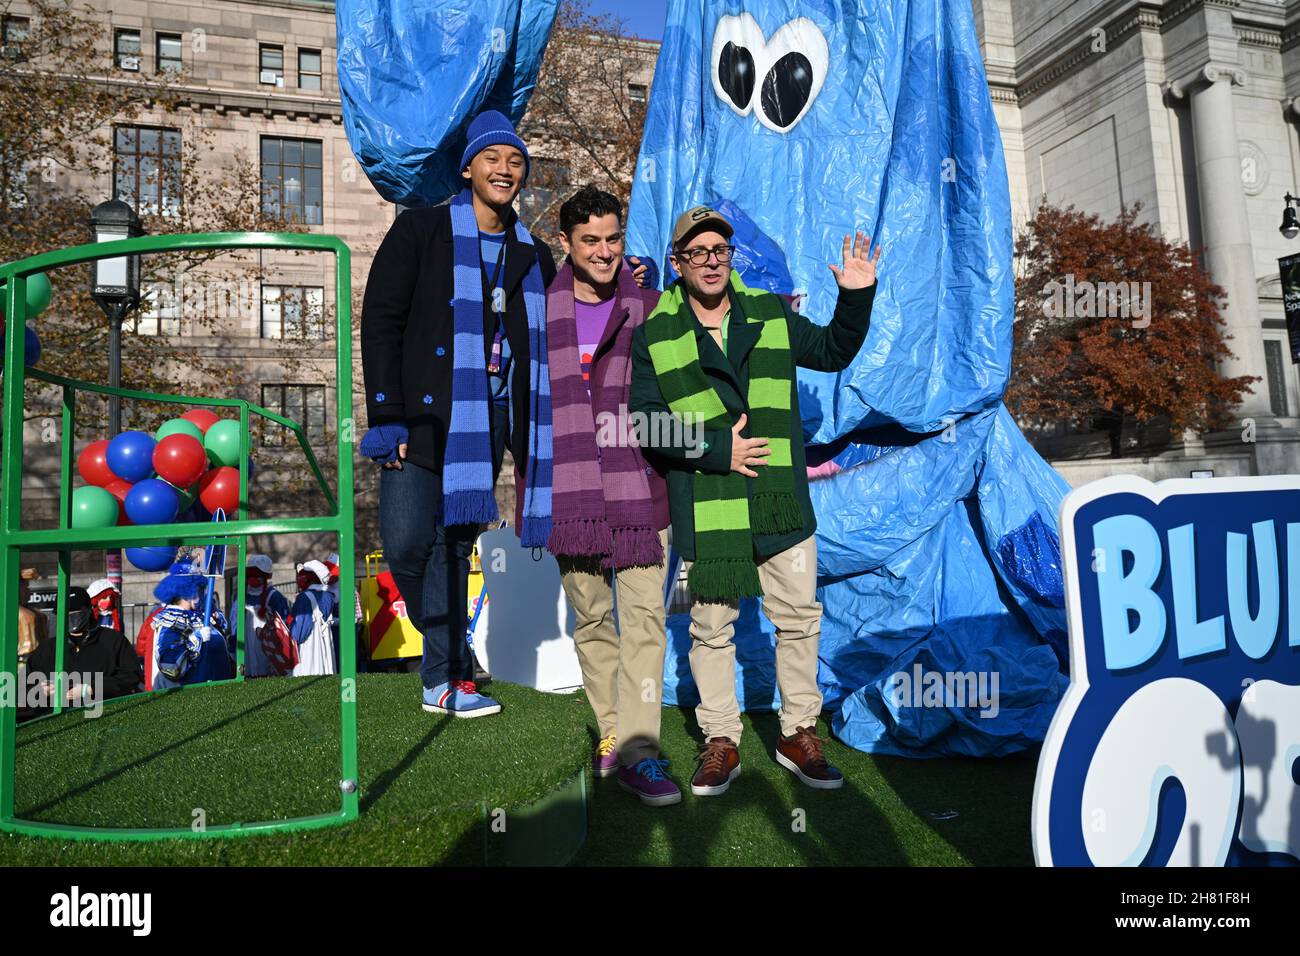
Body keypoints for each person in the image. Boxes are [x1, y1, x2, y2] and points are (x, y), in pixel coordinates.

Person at [630, 205, 881, 796]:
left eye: (719, 250)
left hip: (779, 506)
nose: (711, 262)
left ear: (729, 257)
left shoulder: (770, 314)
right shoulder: (655, 335)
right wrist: (721, 451)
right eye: (697, 253)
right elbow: (646, 425)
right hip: (705, 508)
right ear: (678, 263)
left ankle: (798, 733)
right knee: (709, 627)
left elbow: (833, 350)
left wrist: (855, 296)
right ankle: (721, 740)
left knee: (798, 620)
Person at [359, 108, 565, 719]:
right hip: (422, 418)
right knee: (402, 547)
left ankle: (443, 678)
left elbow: (561, 323)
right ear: (468, 167)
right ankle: (455, 655)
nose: (505, 169)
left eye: (516, 161)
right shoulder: (420, 231)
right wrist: (385, 414)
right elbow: (382, 322)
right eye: (493, 158)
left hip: (494, 416)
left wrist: (631, 284)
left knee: (452, 543)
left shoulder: (536, 253)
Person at [544, 186, 678, 806]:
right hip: (570, 498)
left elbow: (683, 390)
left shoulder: (652, 307)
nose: (603, 251)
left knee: (646, 623)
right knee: (592, 621)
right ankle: (611, 732)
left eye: (613, 238)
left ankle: (641, 753)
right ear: (566, 244)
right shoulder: (539, 313)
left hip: (643, 497)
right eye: (590, 240)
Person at [22, 586, 141, 716]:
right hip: (55, 720)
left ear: (88, 611)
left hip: (103, 714)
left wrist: (91, 688)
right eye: (64, 614)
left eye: (75, 613)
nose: (70, 618)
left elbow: (131, 676)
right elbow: (22, 686)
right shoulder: (47, 649)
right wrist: (39, 690)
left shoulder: (113, 641)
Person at [151, 560, 234, 689]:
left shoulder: (200, 615)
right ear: (185, 591)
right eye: (198, 589)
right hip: (189, 695)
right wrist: (197, 638)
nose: (201, 594)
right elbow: (170, 665)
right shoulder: (172, 620)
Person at [243, 553, 294, 677]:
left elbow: (283, 621)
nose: (254, 578)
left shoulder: (274, 596)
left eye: (258, 575)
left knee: (264, 665)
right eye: (251, 575)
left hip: (265, 641)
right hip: (247, 640)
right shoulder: (241, 595)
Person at [289, 559, 338, 676]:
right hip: (324, 643)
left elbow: (299, 632)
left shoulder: (304, 597)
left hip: (308, 649)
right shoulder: (328, 596)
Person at [17, 567, 48, 669]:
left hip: (39, 658)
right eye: (25, 587)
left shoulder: (33, 612)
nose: (28, 590)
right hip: (25, 659)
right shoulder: (25, 615)